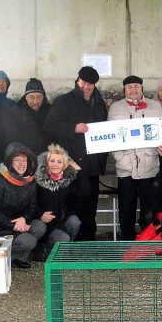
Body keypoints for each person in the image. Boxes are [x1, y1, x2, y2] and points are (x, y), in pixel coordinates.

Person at [43, 66, 108, 241]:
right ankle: (73, 241)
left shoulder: (100, 103)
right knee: (74, 205)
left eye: (90, 84)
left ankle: (89, 240)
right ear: (77, 81)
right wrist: (73, 128)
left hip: (93, 164)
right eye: (84, 82)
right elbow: (49, 125)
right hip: (71, 164)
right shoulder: (63, 101)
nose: (86, 86)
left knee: (91, 204)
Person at [108, 75, 162, 240]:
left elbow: (161, 135)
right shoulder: (115, 107)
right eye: (129, 87)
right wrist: (119, 156)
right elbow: (109, 136)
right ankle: (128, 241)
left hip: (149, 165)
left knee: (149, 208)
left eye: (136, 86)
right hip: (126, 168)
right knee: (126, 208)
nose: (133, 90)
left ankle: (148, 240)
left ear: (142, 88)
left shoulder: (154, 106)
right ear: (124, 90)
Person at [0, 143, 46, 268]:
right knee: (30, 241)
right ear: (10, 162)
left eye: (24, 160)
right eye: (17, 160)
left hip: (18, 223)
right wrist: (13, 225)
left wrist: (25, 219)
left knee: (40, 227)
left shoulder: (29, 181)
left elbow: (32, 206)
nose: (22, 164)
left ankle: (19, 258)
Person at [34, 144, 81, 259]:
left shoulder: (66, 180)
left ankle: (66, 248)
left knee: (75, 222)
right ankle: (45, 249)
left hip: (60, 220)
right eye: (52, 161)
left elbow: (82, 193)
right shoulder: (38, 181)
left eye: (59, 162)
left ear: (64, 164)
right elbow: (29, 203)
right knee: (62, 238)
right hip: (44, 224)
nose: (55, 165)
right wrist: (40, 214)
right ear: (47, 162)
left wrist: (78, 172)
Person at [0, 77, 51, 156]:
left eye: (39, 97)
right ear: (26, 97)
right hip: (24, 157)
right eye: (31, 97)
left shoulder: (50, 111)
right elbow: (10, 139)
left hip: (47, 156)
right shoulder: (16, 113)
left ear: (43, 97)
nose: (35, 101)